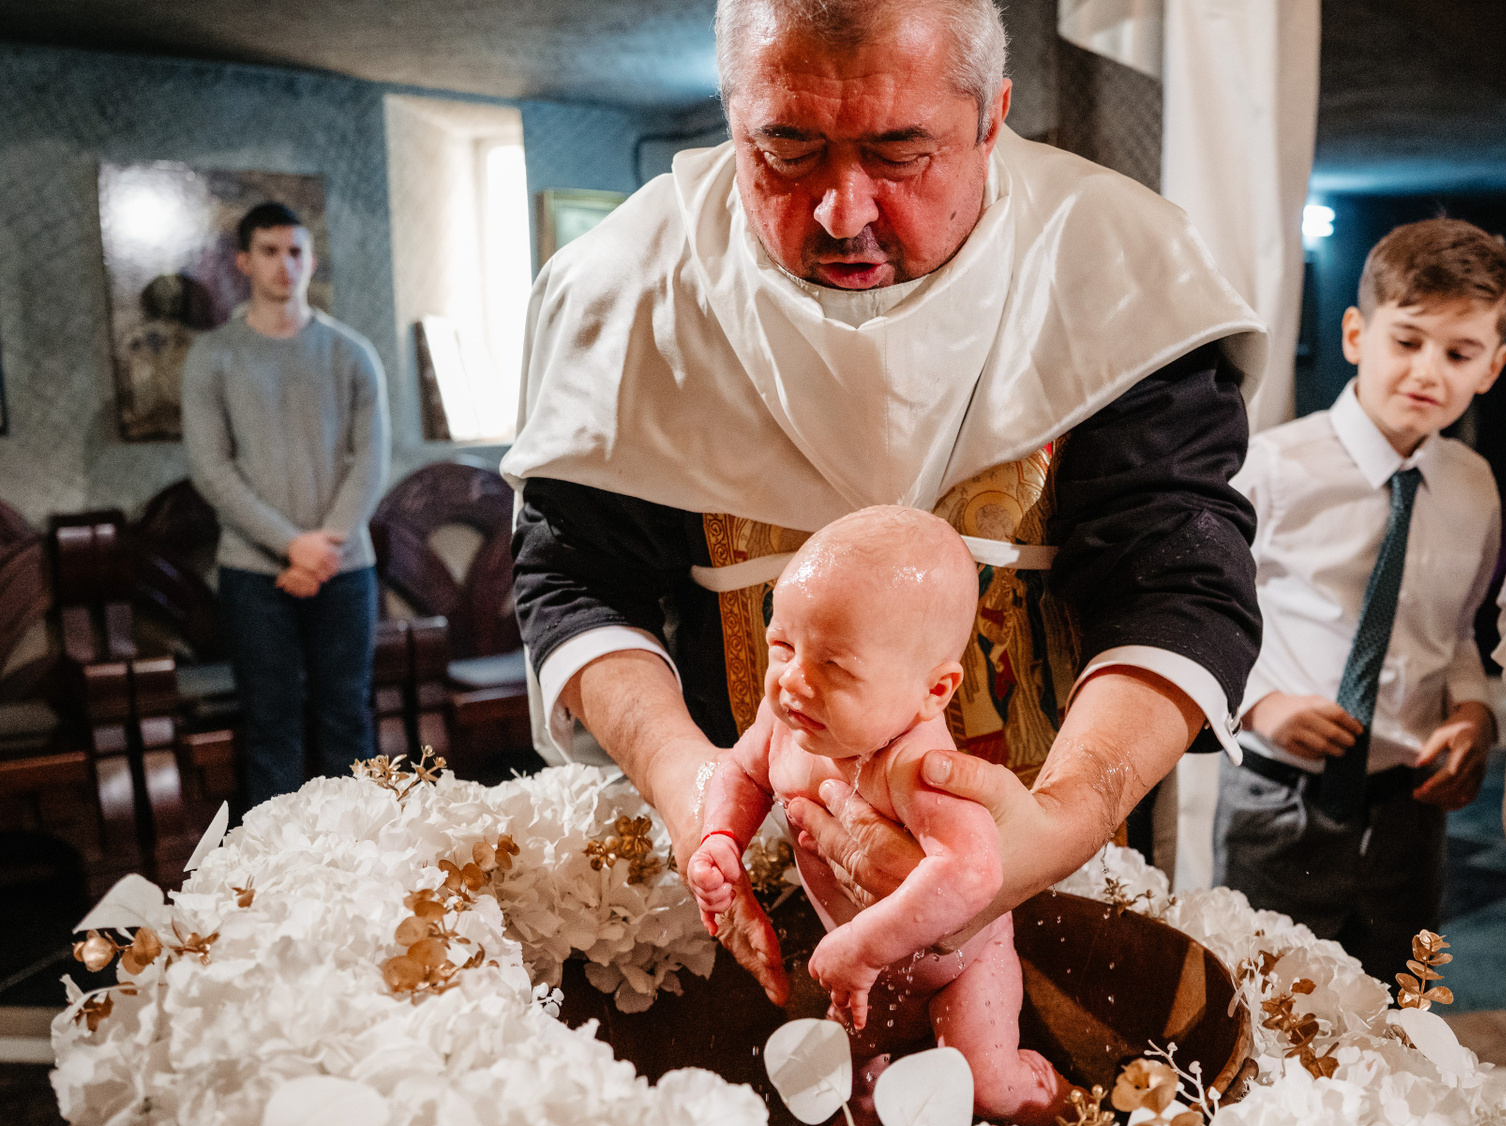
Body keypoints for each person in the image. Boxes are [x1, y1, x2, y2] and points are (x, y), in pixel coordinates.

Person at [506, 0, 1265, 965]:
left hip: (1055, 862)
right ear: (732, 115)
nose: (845, 213)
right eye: (787, 150)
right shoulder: (629, 288)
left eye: (901, 153)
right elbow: (578, 579)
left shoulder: (1118, 269)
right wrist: (686, 779)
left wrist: (1063, 821)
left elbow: (1178, 583)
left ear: (991, 117)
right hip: (740, 865)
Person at [689, 507, 1071, 1126]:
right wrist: (720, 838)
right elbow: (743, 771)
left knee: (986, 1084)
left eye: (836, 667)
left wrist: (863, 948)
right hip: (859, 967)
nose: (794, 682)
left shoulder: (916, 766)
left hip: (959, 969)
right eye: (783, 646)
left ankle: (1070, 1110)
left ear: (934, 691)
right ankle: (866, 1115)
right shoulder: (787, 721)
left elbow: (974, 873)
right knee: (843, 1078)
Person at [1215, 219, 1506, 984]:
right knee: (1265, 1004)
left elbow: (1456, 632)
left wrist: (1474, 711)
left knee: (1395, 1009)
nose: (1428, 371)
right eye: (1407, 341)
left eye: (1460, 354)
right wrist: (1259, 704)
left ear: (1493, 367)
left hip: (1411, 805)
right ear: (1356, 334)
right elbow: (1208, 616)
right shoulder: (1272, 468)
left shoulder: (1474, 487)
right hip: (1281, 797)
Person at [181, 202, 390, 813]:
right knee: (271, 722)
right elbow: (211, 470)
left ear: (311, 261)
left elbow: (371, 459)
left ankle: (364, 849)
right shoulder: (213, 356)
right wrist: (292, 546)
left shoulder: (352, 352)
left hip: (345, 567)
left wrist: (326, 544)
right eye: (269, 251)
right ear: (244, 262)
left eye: (296, 251)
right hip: (254, 572)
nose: (285, 264)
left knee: (347, 714)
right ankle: (278, 863)